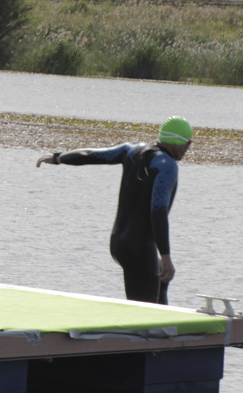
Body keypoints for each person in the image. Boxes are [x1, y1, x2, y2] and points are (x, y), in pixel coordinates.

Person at [35, 116, 193, 305]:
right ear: (181, 141)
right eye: (188, 143)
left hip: (119, 243)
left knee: (159, 283)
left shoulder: (131, 150)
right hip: (139, 247)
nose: (187, 149)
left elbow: (92, 155)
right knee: (145, 311)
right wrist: (166, 256)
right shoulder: (167, 166)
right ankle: (147, 332)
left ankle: (169, 330)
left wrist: (59, 158)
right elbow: (157, 211)